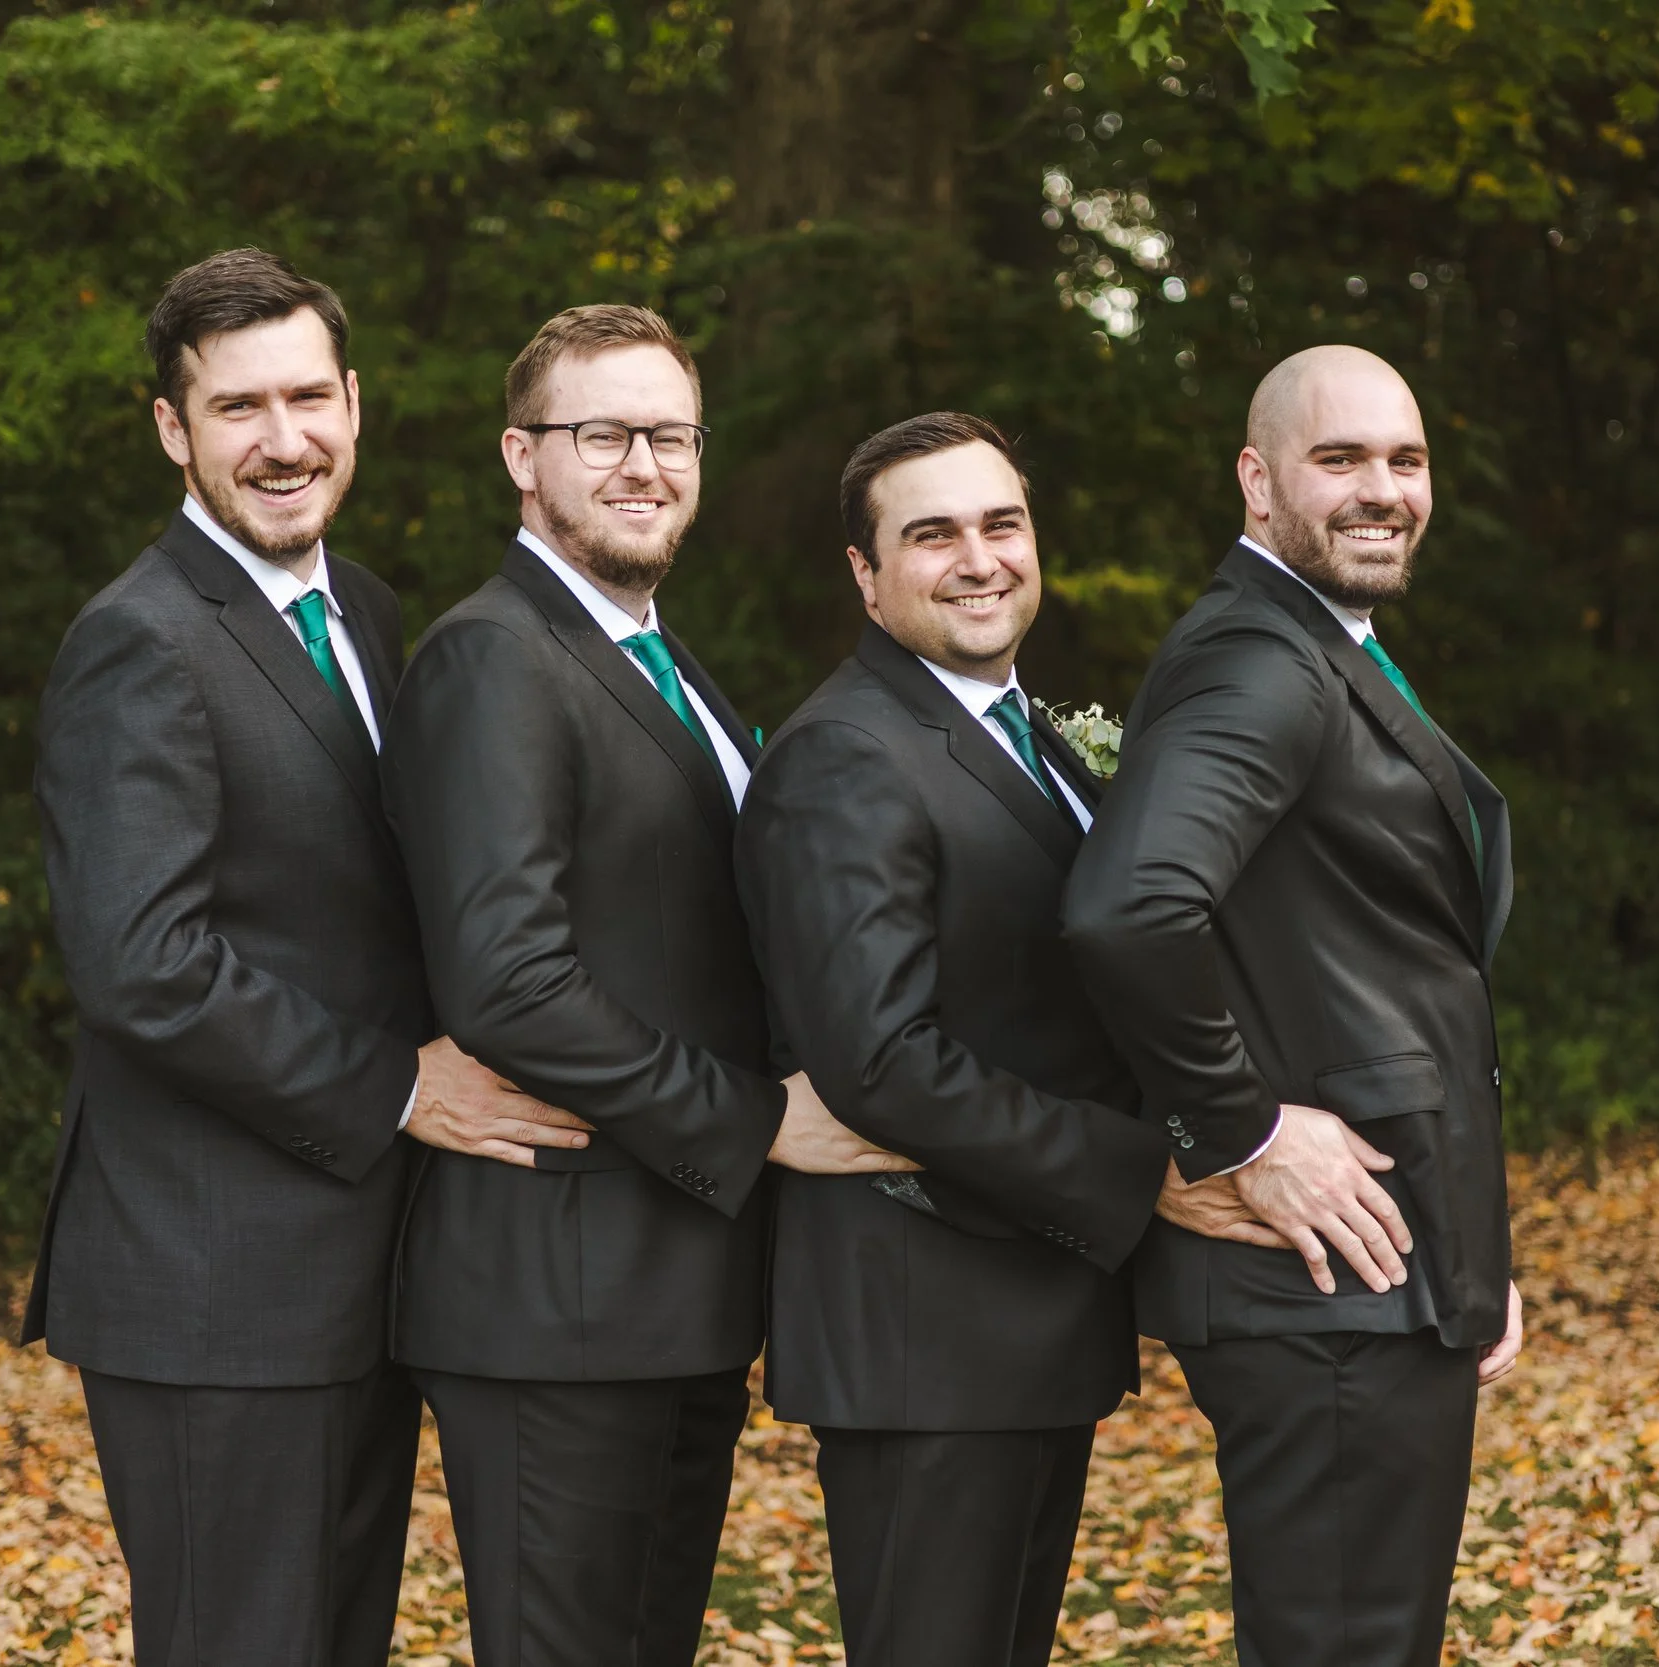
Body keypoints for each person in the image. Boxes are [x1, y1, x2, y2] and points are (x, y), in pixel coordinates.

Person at [28, 248, 584, 1667]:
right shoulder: (139, 641)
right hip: (213, 1280)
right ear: (175, 429)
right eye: (236, 408)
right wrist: (402, 1087)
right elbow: (143, 961)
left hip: (353, 1270)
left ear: (356, 401)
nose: (283, 441)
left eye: (305, 396)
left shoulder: (372, 614)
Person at [380, 304, 909, 1667]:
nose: (643, 464)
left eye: (669, 433)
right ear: (522, 454)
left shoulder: (661, 664)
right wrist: (753, 1119)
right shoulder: (496, 655)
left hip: (666, 1283)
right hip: (556, 1288)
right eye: (601, 432)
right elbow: (508, 975)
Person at [1061, 344, 1527, 1667]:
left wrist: (1475, 1248)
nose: (1382, 489)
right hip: (1325, 1286)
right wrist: (1244, 1127)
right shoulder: (1260, 660)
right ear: (1257, 482)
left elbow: (1367, 964)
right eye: (1342, 460)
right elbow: (1128, 906)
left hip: (1389, 1263)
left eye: (1405, 459)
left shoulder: (1326, 644)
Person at [736, 414, 1168, 1667]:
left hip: (1020, 1308)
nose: (979, 558)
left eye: (1001, 524)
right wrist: (1138, 1169)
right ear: (866, 577)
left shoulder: (1020, 732)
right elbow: (878, 1058)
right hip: (923, 1322)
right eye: (932, 534)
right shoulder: (844, 754)